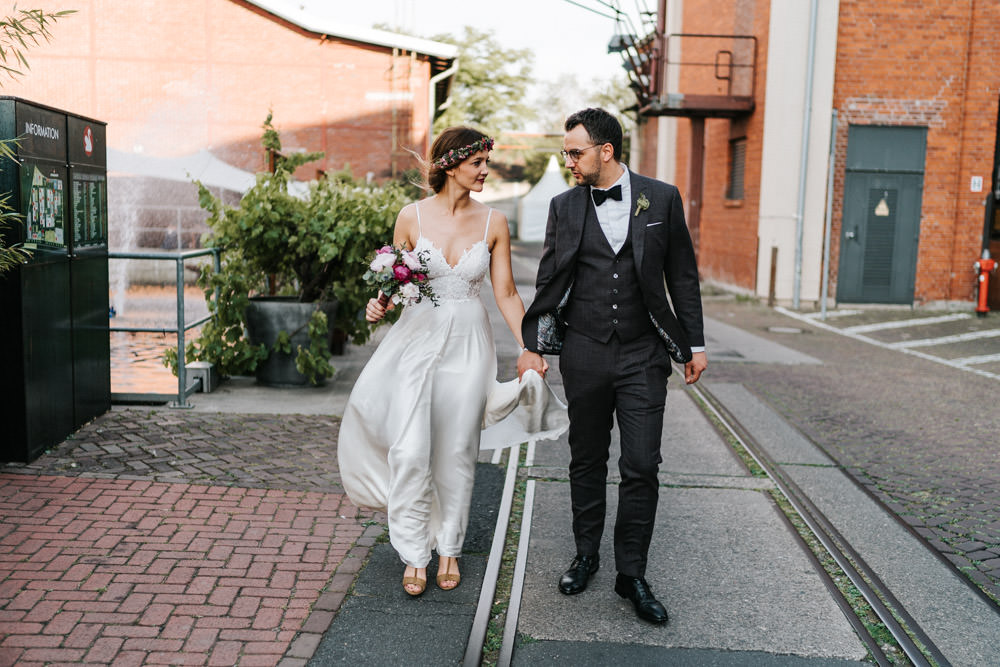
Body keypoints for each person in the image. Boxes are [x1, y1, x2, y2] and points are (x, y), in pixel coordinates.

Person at [338, 127, 568, 597]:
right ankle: (413, 550)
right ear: (450, 164)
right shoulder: (410, 216)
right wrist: (378, 303)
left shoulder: (494, 222)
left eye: (487, 162)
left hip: (468, 344)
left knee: (458, 449)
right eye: (477, 162)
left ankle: (448, 549)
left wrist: (530, 346)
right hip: (415, 342)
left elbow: (504, 292)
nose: (486, 171)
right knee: (410, 447)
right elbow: (398, 283)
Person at [517, 108, 707, 624]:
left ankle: (633, 573)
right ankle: (585, 555)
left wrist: (694, 344)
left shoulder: (661, 198)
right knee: (586, 459)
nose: (568, 161)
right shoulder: (564, 205)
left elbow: (682, 276)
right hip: (585, 350)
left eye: (575, 152)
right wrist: (534, 341)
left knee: (642, 465)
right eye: (565, 152)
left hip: (644, 353)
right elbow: (549, 277)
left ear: (607, 150)